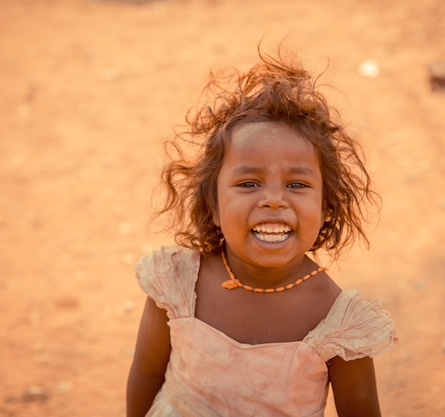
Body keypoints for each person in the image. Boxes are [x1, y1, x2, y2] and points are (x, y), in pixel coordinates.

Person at [127, 47, 397, 417]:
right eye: (249, 183)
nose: (273, 200)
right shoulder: (177, 285)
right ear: (214, 205)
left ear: (326, 207)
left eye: (297, 185)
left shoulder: (338, 323)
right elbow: (146, 375)